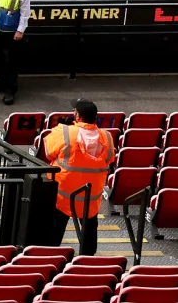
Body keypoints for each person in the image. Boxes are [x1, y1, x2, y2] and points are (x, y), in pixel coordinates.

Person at [38, 99, 114, 254]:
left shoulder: (64, 132)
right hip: (90, 196)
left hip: (63, 195)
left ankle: (49, 258)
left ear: (77, 115)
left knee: (55, 231)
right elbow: (109, 159)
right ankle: (86, 260)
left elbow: (48, 153)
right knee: (89, 230)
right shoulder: (107, 137)